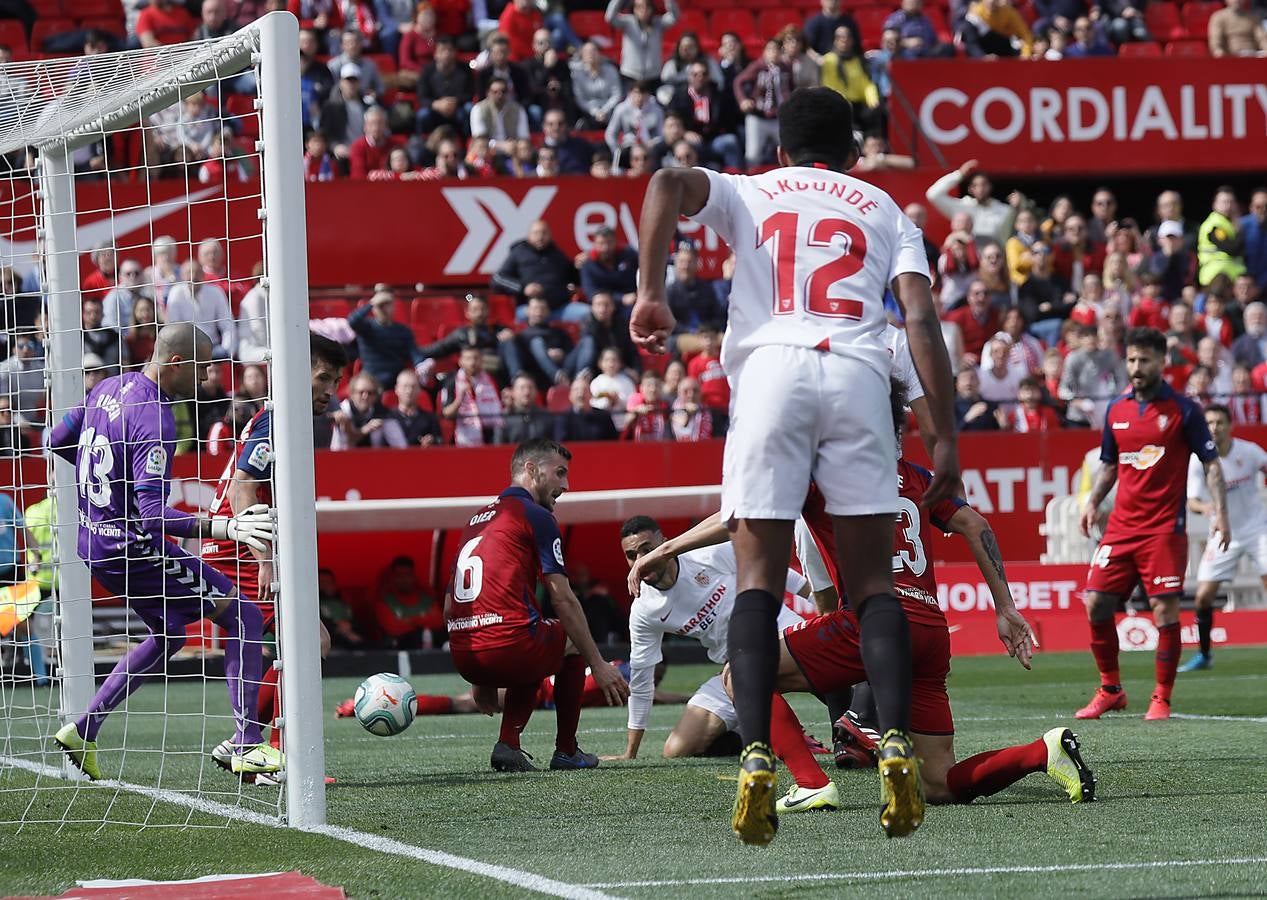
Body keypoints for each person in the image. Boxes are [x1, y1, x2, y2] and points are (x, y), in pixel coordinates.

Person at [629, 86, 959, 844]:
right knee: (872, 585)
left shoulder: (750, 189)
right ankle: (895, 745)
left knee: (757, 583)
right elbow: (918, 317)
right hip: (857, 374)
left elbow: (662, 184)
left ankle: (754, 756)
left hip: (770, 370)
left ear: (777, 150)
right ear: (852, 154)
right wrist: (943, 441)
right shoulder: (884, 209)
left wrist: (650, 293)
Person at [739, 383, 1090, 814]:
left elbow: (743, 515)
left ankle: (811, 781)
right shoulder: (921, 478)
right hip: (929, 630)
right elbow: (977, 525)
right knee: (940, 784)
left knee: (741, 673)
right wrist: (1005, 608)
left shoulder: (830, 475)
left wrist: (667, 549)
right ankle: (1042, 752)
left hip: (873, 622)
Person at [48, 323, 280, 781]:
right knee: (245, 617)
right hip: (131, 546)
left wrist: (107, 494)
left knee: (172, 634)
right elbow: (152, 516)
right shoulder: (156, 418)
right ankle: (249, 745)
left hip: (92, 542)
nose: (210, 374)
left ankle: (83, 730)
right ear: (176, 362)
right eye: (203, 365)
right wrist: (225, 526)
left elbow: (55, 441)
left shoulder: (108, 386)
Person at [201, 334, 347, 762]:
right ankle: (275, 754)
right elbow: (244, 487)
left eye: (336, 381)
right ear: (294, 371)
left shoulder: (282, 418)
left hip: (240, 544)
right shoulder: (276, 420)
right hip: (243, 550)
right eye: (323, 378)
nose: (331, 391)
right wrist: (265, 558)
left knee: (308, 642)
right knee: (306, 643)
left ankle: (246, 744)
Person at [444, 439, 629, 772]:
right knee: (566, 640)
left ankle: (510, 746)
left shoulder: (475, 520)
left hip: (464, 653)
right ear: (531, 470)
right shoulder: (536, 515)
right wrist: (598, 663)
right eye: (560, 473)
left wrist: (481, 676)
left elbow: (449, 607)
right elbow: (562, 597)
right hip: (508, 646)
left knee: (535, 634)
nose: (566, 485)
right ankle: (567, 751)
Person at [1077, 327, 1228, 722]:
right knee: (1096, 603)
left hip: (1163, 529)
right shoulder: (1116, 409)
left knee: (1164, 611)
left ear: (1162, 362)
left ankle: (1161, 697)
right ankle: (1111, 689)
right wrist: (1093, 502)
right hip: (1121, 528)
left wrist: (1221, 514)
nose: (1136, 367)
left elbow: (1211, 465)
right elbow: (1109, 465)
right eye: (1131, 360)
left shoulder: (1185, 410)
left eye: (1144, 360)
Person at [605, 516, 810, 762]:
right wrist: (630, 752)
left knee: (829, 680)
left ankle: (853, 731)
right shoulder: (643, 610)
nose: (641, 561)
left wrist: (816, 601)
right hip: (734, 669)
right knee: (677, 749)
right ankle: (757, 735)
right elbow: (641, 678)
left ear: (665, 543)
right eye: (631, 555)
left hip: (780, 633)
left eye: (648, 550)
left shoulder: (706, 553)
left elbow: (767, 565)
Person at [1183, 404, 1267, 672]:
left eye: (1219, 422)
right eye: (1209, 423)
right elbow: (1192, 501)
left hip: (1257, 529)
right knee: (1203, 598)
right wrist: (1207, 508)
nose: (1214, 428)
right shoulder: (1199, 460)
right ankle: (1205, 655)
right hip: (1221, 531)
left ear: (1230, 425)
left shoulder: (1249, 451)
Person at [926, 159, 1024, 248]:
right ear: (970, 189)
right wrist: (959, 174)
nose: (980, 189)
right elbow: (933, 194)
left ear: (990, 186)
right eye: (976, 185)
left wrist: (1016, 208)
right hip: (967, 261)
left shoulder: (1003, 210)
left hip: (994, 260)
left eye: (984, 184)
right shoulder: (961, 206)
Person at [347, 288, 427, 387]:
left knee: (410, 383)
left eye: (387, 304)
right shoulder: (366, 327)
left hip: (396, 379)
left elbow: (415, 353)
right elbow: (352, 321)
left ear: (394, 306)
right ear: (374, 308)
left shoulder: (403, 331)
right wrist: (372, 303)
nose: (384, 309)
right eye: (380, 305)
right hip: (371, 379)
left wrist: (420, 364)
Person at [606, 0, 679, 84]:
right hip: (630, 74)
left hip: (653, 76)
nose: (643, 10)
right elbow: (609, 17)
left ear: (652, 9)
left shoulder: (658, 23)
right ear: (633, 9)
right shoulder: (627, 22)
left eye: (647, 7)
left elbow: (674, 17)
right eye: (639, 7)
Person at [331, 371, 408, 449]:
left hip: (373, 459)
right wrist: (365, 430)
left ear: (376, 397)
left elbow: (401, 446)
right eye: (361, 392)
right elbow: (342, 447)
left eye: (370, 393)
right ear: (352, 394)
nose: (365, 396)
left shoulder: (381, 413)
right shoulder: (341, 411)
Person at [393, 369, 442, 446]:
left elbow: (440, 440)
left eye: (413, 387)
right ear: (396, 389)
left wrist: (432, 441)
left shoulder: (430, 418)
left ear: (419, 390)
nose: (409, 391)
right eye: (405, 386)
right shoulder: (387, 418)